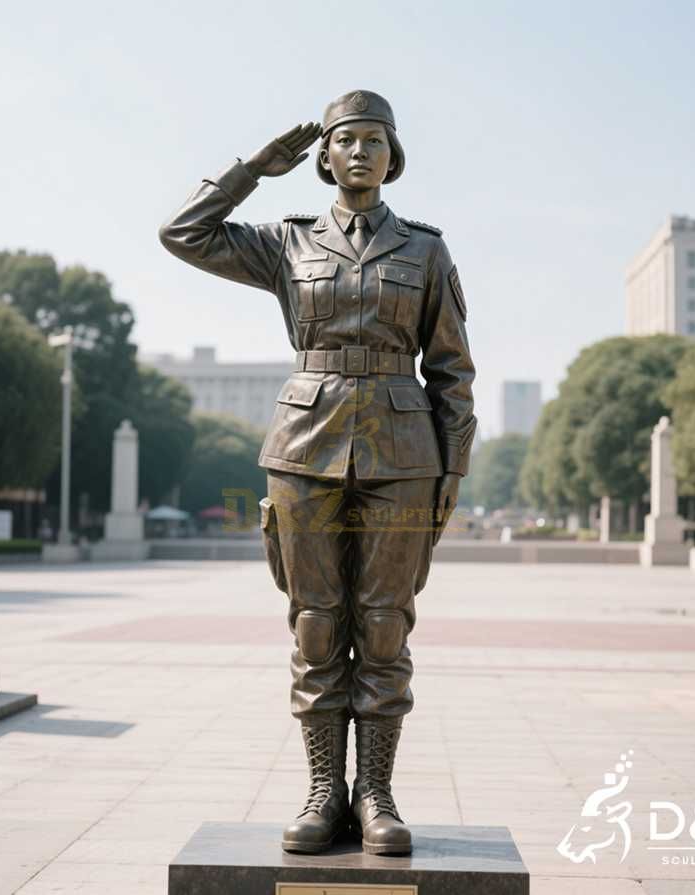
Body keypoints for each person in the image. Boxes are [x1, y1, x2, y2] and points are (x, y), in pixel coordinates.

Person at [159, 90, 476, 857]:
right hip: (304, 445)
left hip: (402, 455)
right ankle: (321, 789)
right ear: (324, 157)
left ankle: (375, 793)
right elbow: (182, 234)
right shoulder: (286, 242)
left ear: (392, 157)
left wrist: (449, 475)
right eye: (346, 140)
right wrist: (252, 171)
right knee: (315, 623)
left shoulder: (424, 250)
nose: (360, 152)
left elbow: (453, 373)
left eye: (374, 140)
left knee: (382, 624)